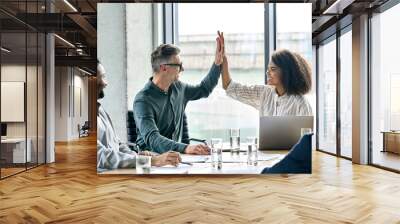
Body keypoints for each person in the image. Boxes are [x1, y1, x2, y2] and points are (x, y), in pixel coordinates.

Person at [133, 33, 225, 155]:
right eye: (179, 65)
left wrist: (217, 64)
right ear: (164, 68)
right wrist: (185, 148)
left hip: (177, 160)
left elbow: (204, 89)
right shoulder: (142, 100)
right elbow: (153, 139)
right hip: (152, 162)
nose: (182, 69)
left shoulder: (179, 88)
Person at [97, 61, 181, 169]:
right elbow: (101, 157)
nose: (105, 83)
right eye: (101, 77)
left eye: (104, 76)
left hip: (120, 172)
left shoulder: (100, 110)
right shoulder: (84, 117)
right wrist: (151, 161)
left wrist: (136, 156)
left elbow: (117, 145)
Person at [219, 32, 313, 116]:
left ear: (286, 72)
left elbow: (307, 135)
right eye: (268, 69)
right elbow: (229, 87)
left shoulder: (301, 104)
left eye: (273, 69)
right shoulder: (264, 93)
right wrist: (223, 58)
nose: (267, 72)